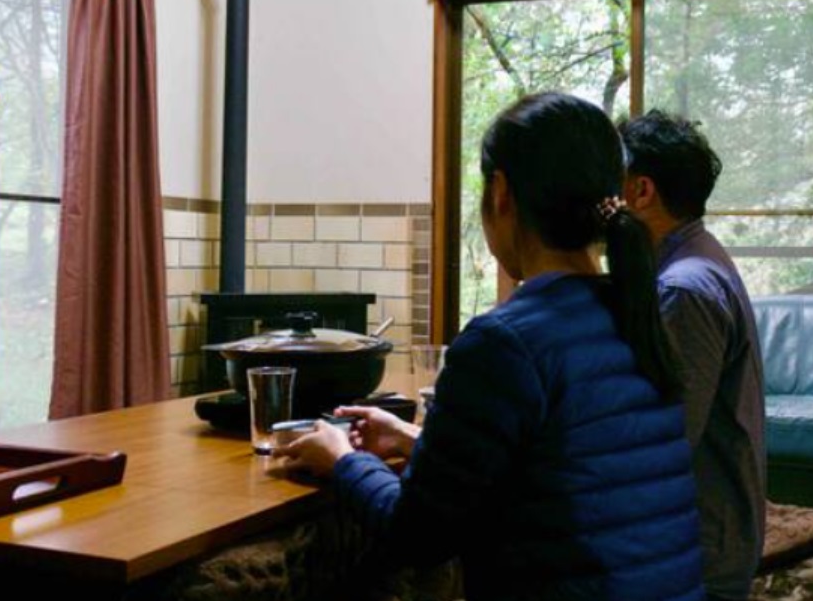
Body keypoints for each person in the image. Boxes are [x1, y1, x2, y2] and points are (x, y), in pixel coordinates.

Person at [279, 92, 705, 601]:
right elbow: (563, 476)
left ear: (500, 193)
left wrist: (342, 461)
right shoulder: (634, 314)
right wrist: (412, 438)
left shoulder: (504, 342)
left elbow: (418, 536)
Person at [620, 111, 766, 601]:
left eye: (611, 182)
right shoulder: (696, 255)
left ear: (641, 190)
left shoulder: (683, 289)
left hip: (702, 555)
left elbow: (666, 444)